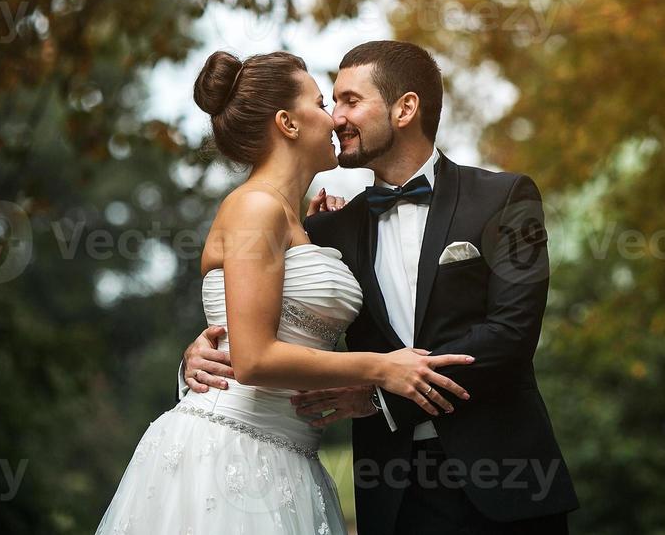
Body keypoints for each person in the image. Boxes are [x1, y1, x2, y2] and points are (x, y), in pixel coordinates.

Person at [182, 40, 578, 533]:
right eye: (328, 103)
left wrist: (380, 398)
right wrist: (200, 351)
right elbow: (262, 323)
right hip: (392, 496)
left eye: (349, 101)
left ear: (405, 108)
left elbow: (512, 336)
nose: (336, 118)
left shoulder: (503, 198)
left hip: (508, 483)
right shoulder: (324, 234)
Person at [98, 49, 473, 534]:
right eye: (321, 103)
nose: (335, 118)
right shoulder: (255, 208)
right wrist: (382, 368)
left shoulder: (304, 221)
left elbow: (260, 318)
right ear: (287, 123)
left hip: (292, 459)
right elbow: (252, 359)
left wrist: (319, 234)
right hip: (231, 452)